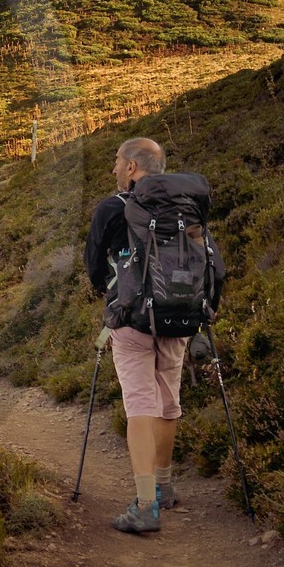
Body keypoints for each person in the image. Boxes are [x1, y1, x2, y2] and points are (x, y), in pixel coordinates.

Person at [84, 137, 188, 535]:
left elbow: (94, 266)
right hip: (178, 315)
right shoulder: (185, 205)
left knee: (141, 404)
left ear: (131, 167)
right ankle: (164, 485)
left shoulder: (113, 207)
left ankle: (146, 505)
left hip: (131, 320)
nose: (113, 168)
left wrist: (112, 292)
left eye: (117, 161)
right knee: (168, 400)